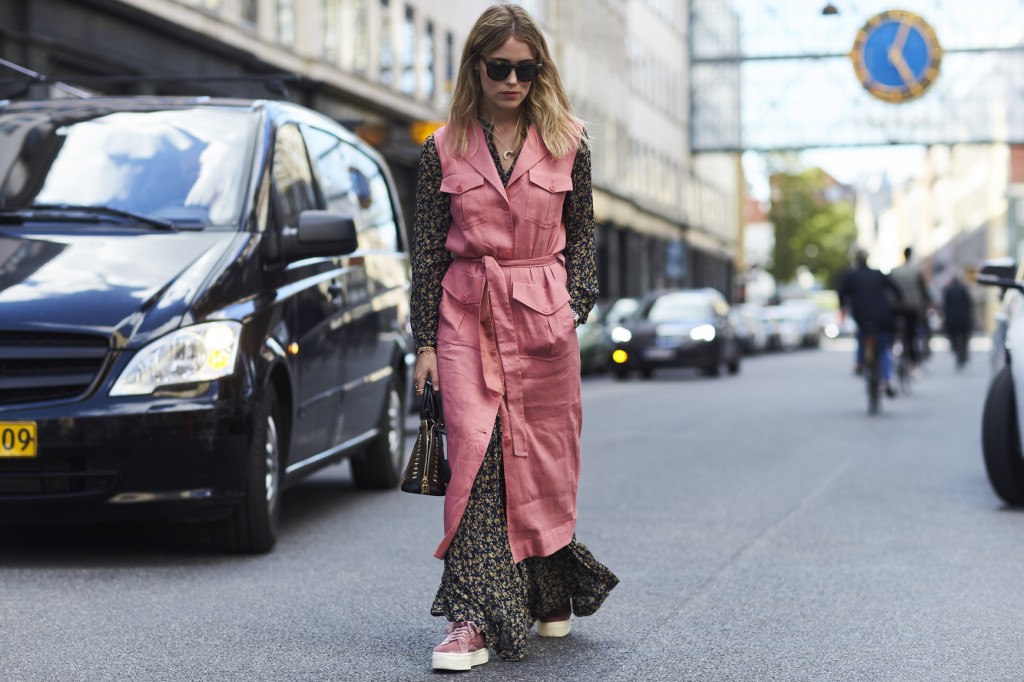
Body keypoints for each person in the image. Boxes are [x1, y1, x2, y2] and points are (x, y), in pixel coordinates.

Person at [409, 4, 618, 672]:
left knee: (545, 463)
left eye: (526, 70)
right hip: (467, 316)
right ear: (476, 66)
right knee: (477, 456)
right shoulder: (440, 149)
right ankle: (472, 617)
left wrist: (573, 301)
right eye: (500, 67)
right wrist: (424, 345)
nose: (513, 81)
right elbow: (426, 257)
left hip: (543, 319)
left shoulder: (569, 140)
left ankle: (548, 586)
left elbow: (583, 230)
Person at [837, 247, 902, 396]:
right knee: (883, 347)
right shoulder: (878, 274)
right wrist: (898, 302)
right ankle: (886, 379)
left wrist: (843, 306)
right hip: (881, 317)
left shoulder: (851, 276)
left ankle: (860, 362)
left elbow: (841, 294)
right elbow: (895, 289)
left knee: (861, 336)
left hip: (861, 316)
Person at [888, 246, 932, 369]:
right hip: (913, 307)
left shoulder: (895, 271)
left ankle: (892, 354)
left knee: (894, 332)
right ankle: (912, 362)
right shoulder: (916, 271)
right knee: (911, 335)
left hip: (896, 307)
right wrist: (927, 302)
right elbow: (923, 290)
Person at [942, 273, 973, 367]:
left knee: (953, 336)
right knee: (964, 337)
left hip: (952, 320)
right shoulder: (963, 289)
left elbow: (945, 306)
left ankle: (956, 348)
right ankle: (963, 351)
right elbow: (969, 304)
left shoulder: (948, 291)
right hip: (963, 319)